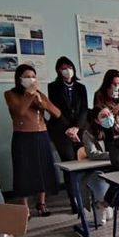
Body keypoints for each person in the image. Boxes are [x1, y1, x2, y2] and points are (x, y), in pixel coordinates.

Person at [4, 64, 61, 216]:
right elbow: (20, 112)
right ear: (19, 78)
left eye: (33, 76)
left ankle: (41, 203)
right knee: (24, 171)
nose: (31, 79)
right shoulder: (10, 94)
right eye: (27, 77)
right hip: (23, 137)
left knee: (43, 170)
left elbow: (57, 113)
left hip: (42, 135)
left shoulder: (39, 94)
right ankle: (25, 208)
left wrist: (42, 103)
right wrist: (29, 95)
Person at [47, 56, 88, 213]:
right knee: (69, 163)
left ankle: (85, 197)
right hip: (61, 130)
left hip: (79, 129)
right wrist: (68, 128)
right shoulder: (53, 87)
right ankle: (74, 201)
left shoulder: (80, 87)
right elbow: (56, 111)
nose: (67, 70)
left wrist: (76, 127)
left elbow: (84, 109)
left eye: (69, 67)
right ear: (58, 70)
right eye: (63, 68)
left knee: (83, 160)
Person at [82, 106, 119, 224]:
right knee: (101, 188)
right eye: (103, 116)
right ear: (96, 120)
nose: (108, 118)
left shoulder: (118, 129)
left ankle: (106, 203)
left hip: (115, 168)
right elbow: (92, 154)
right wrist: (112, 154)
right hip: (97, 171)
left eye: (109, 115)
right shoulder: (88, 134)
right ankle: (101, 205)